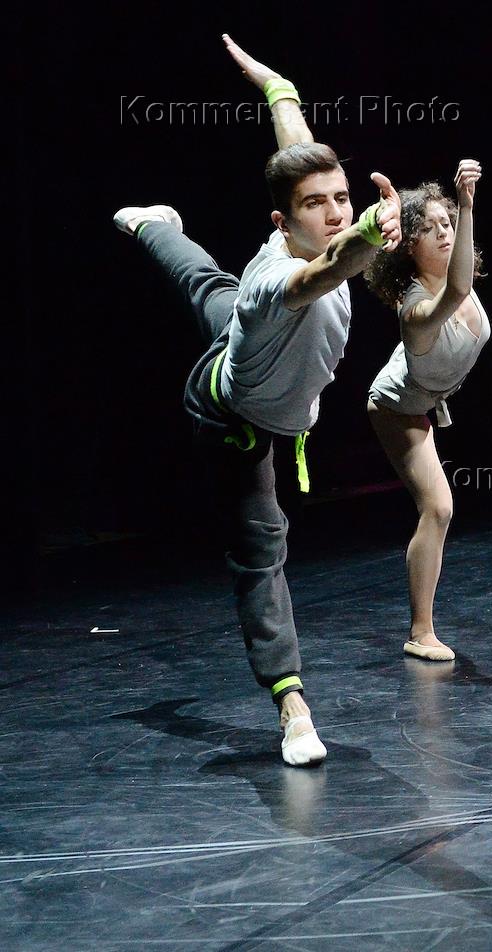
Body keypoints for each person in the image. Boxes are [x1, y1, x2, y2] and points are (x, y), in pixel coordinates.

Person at [112, 36, 401, 766]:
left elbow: (299, 154)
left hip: (245, 348)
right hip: (229, 414)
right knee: (261, 553)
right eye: (314, 205)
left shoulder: (313, 225)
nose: (333, 211)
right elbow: (322, 275)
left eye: (342, 199)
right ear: (282, 223)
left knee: (210, 290)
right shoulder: (280, 280)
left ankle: (152, 223)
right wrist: (369, 232)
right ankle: (292, 706)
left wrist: (279, 89)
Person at [361, 160, 486, 663]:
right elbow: (456, 291)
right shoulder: (414, 309)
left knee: (440, 508)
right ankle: (420, 632)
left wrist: (458, 211)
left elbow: (459, 280)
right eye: (430, 227)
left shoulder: (455, 275)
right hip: (395, 407)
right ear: (409, 245)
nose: (444, 232)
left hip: (425, 399)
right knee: (438, 507)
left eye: (447, 223)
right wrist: (467, 205)